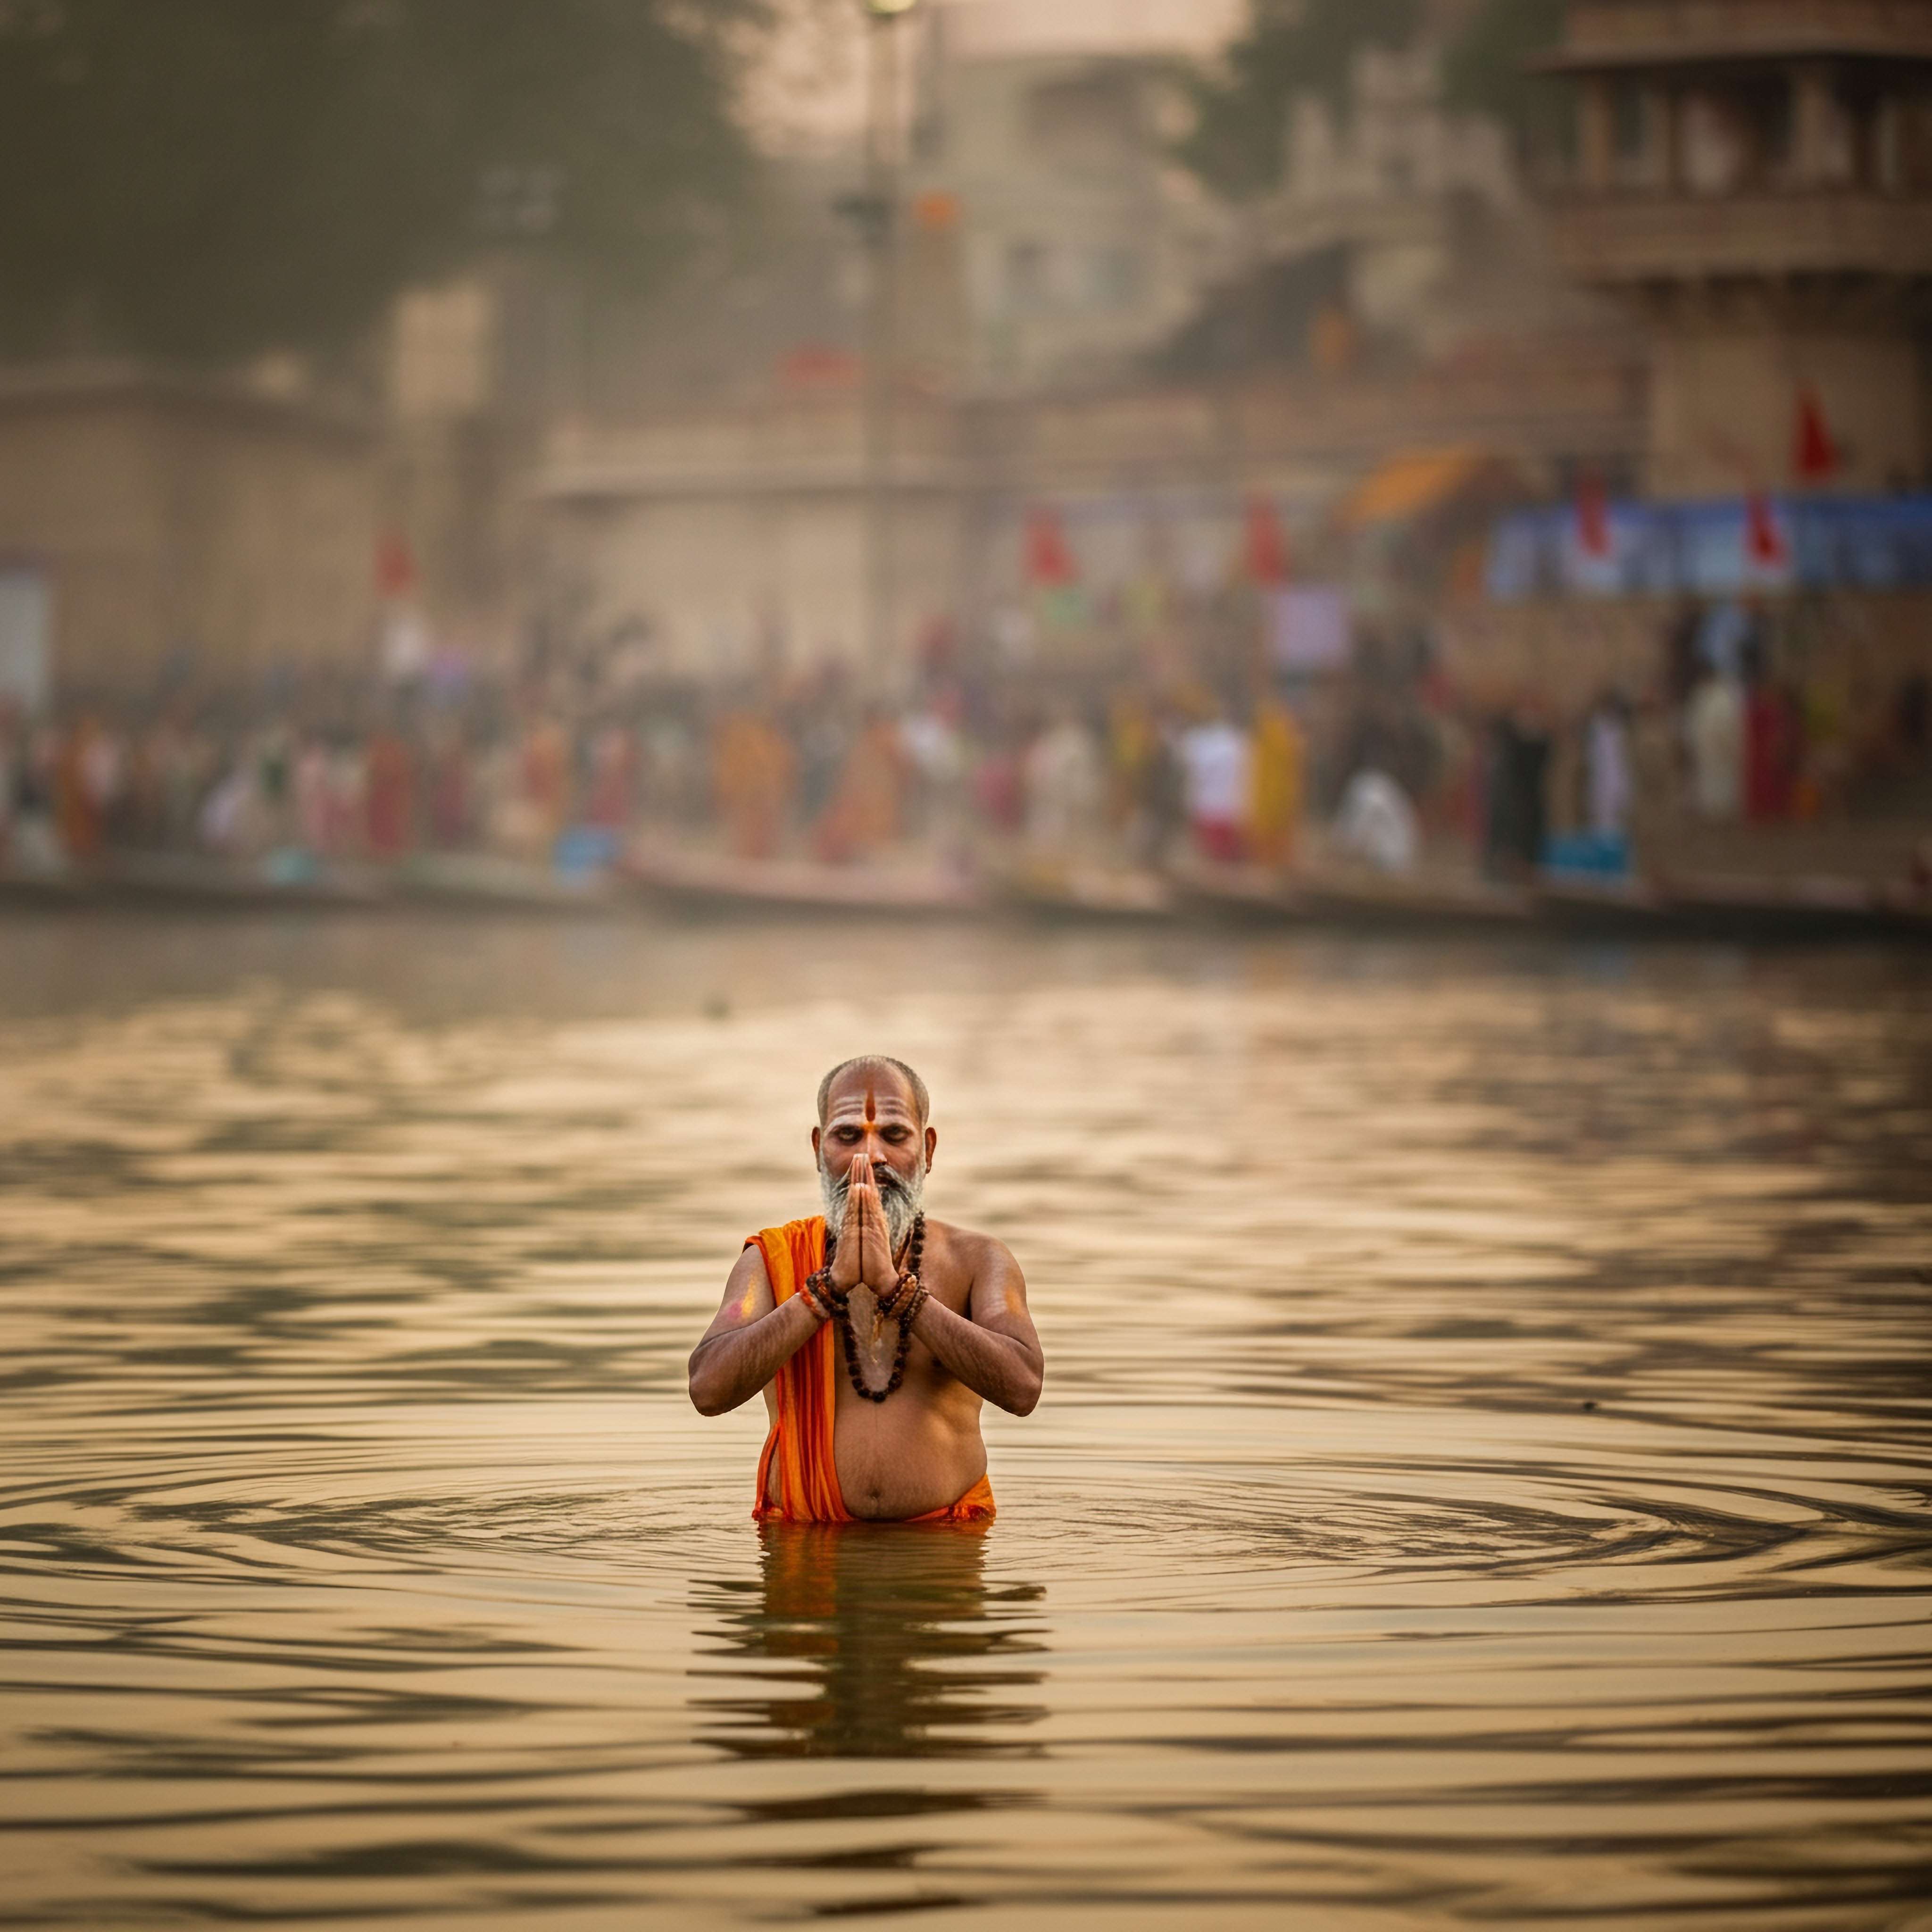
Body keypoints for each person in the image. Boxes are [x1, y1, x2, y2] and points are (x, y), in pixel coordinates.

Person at [689, 1056, 1043, 1524]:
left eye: (894, 1135)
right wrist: (822, 1292)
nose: (870, 1156)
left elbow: (1023, 1387)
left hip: (943, 1557)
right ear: (818, 1148)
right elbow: (707, 1389)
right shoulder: (771, 1261)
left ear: (929, 1149)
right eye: (847, 1135)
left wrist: (897, 1291)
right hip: (805, 1553)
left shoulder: (977, 1261)